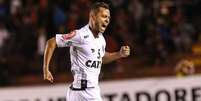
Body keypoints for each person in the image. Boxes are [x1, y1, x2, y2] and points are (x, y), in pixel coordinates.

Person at [43, 2, 130, 101]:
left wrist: (119, 54)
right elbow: (52, 42)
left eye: (108, 18)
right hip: (80, 93)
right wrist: (46, 69)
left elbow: (101, 58)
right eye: (104, 16)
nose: (107, 20)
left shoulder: (101, 39)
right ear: (93, 17)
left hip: (91, 91)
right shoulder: (80, 35)